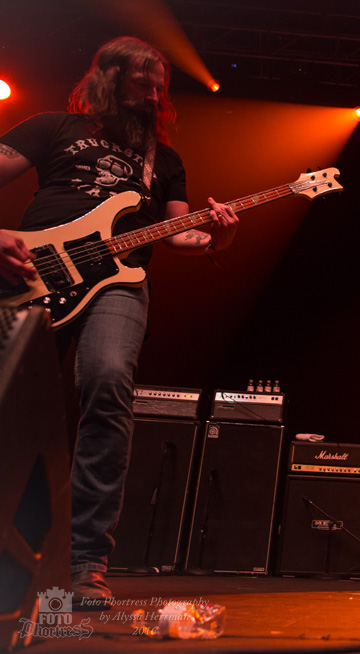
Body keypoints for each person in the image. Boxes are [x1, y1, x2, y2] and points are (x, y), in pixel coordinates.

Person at [0, 37, 239, 609]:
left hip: (120, 284)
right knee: (8, 404)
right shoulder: (52, 127)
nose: (155, 94)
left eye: (161, 86)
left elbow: (182, 234)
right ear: (108, 77)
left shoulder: (166, 160)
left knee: (107, 385)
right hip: (29, 276)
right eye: (143, 81)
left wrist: (221, 233)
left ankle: (86, 564)